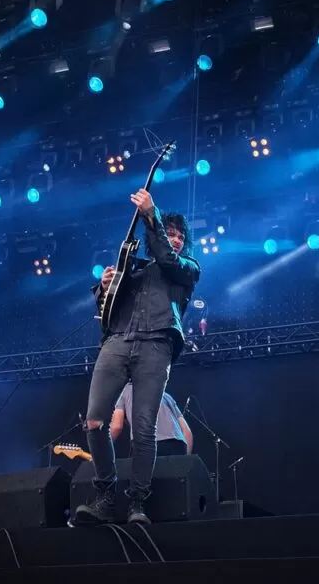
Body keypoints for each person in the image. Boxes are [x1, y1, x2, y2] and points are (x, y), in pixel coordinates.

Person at [73, 188, 200, 526]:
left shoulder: (186, 268)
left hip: (156, 344)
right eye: (168, 233)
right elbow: (106, 310)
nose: (173, 239)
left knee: (143, 429)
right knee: (95, 421)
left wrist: (151, 214)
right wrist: (105, 285)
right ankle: (105, 496)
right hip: (118, 340)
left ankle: (137, 502)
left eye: (178, 236)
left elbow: (167, 257)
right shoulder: (136, 267)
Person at [111, 383, 193, 457]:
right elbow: (187, 432)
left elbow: (116, 427)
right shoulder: (165, 396)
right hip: (177, 445)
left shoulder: (122, 391)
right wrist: (186, 461)